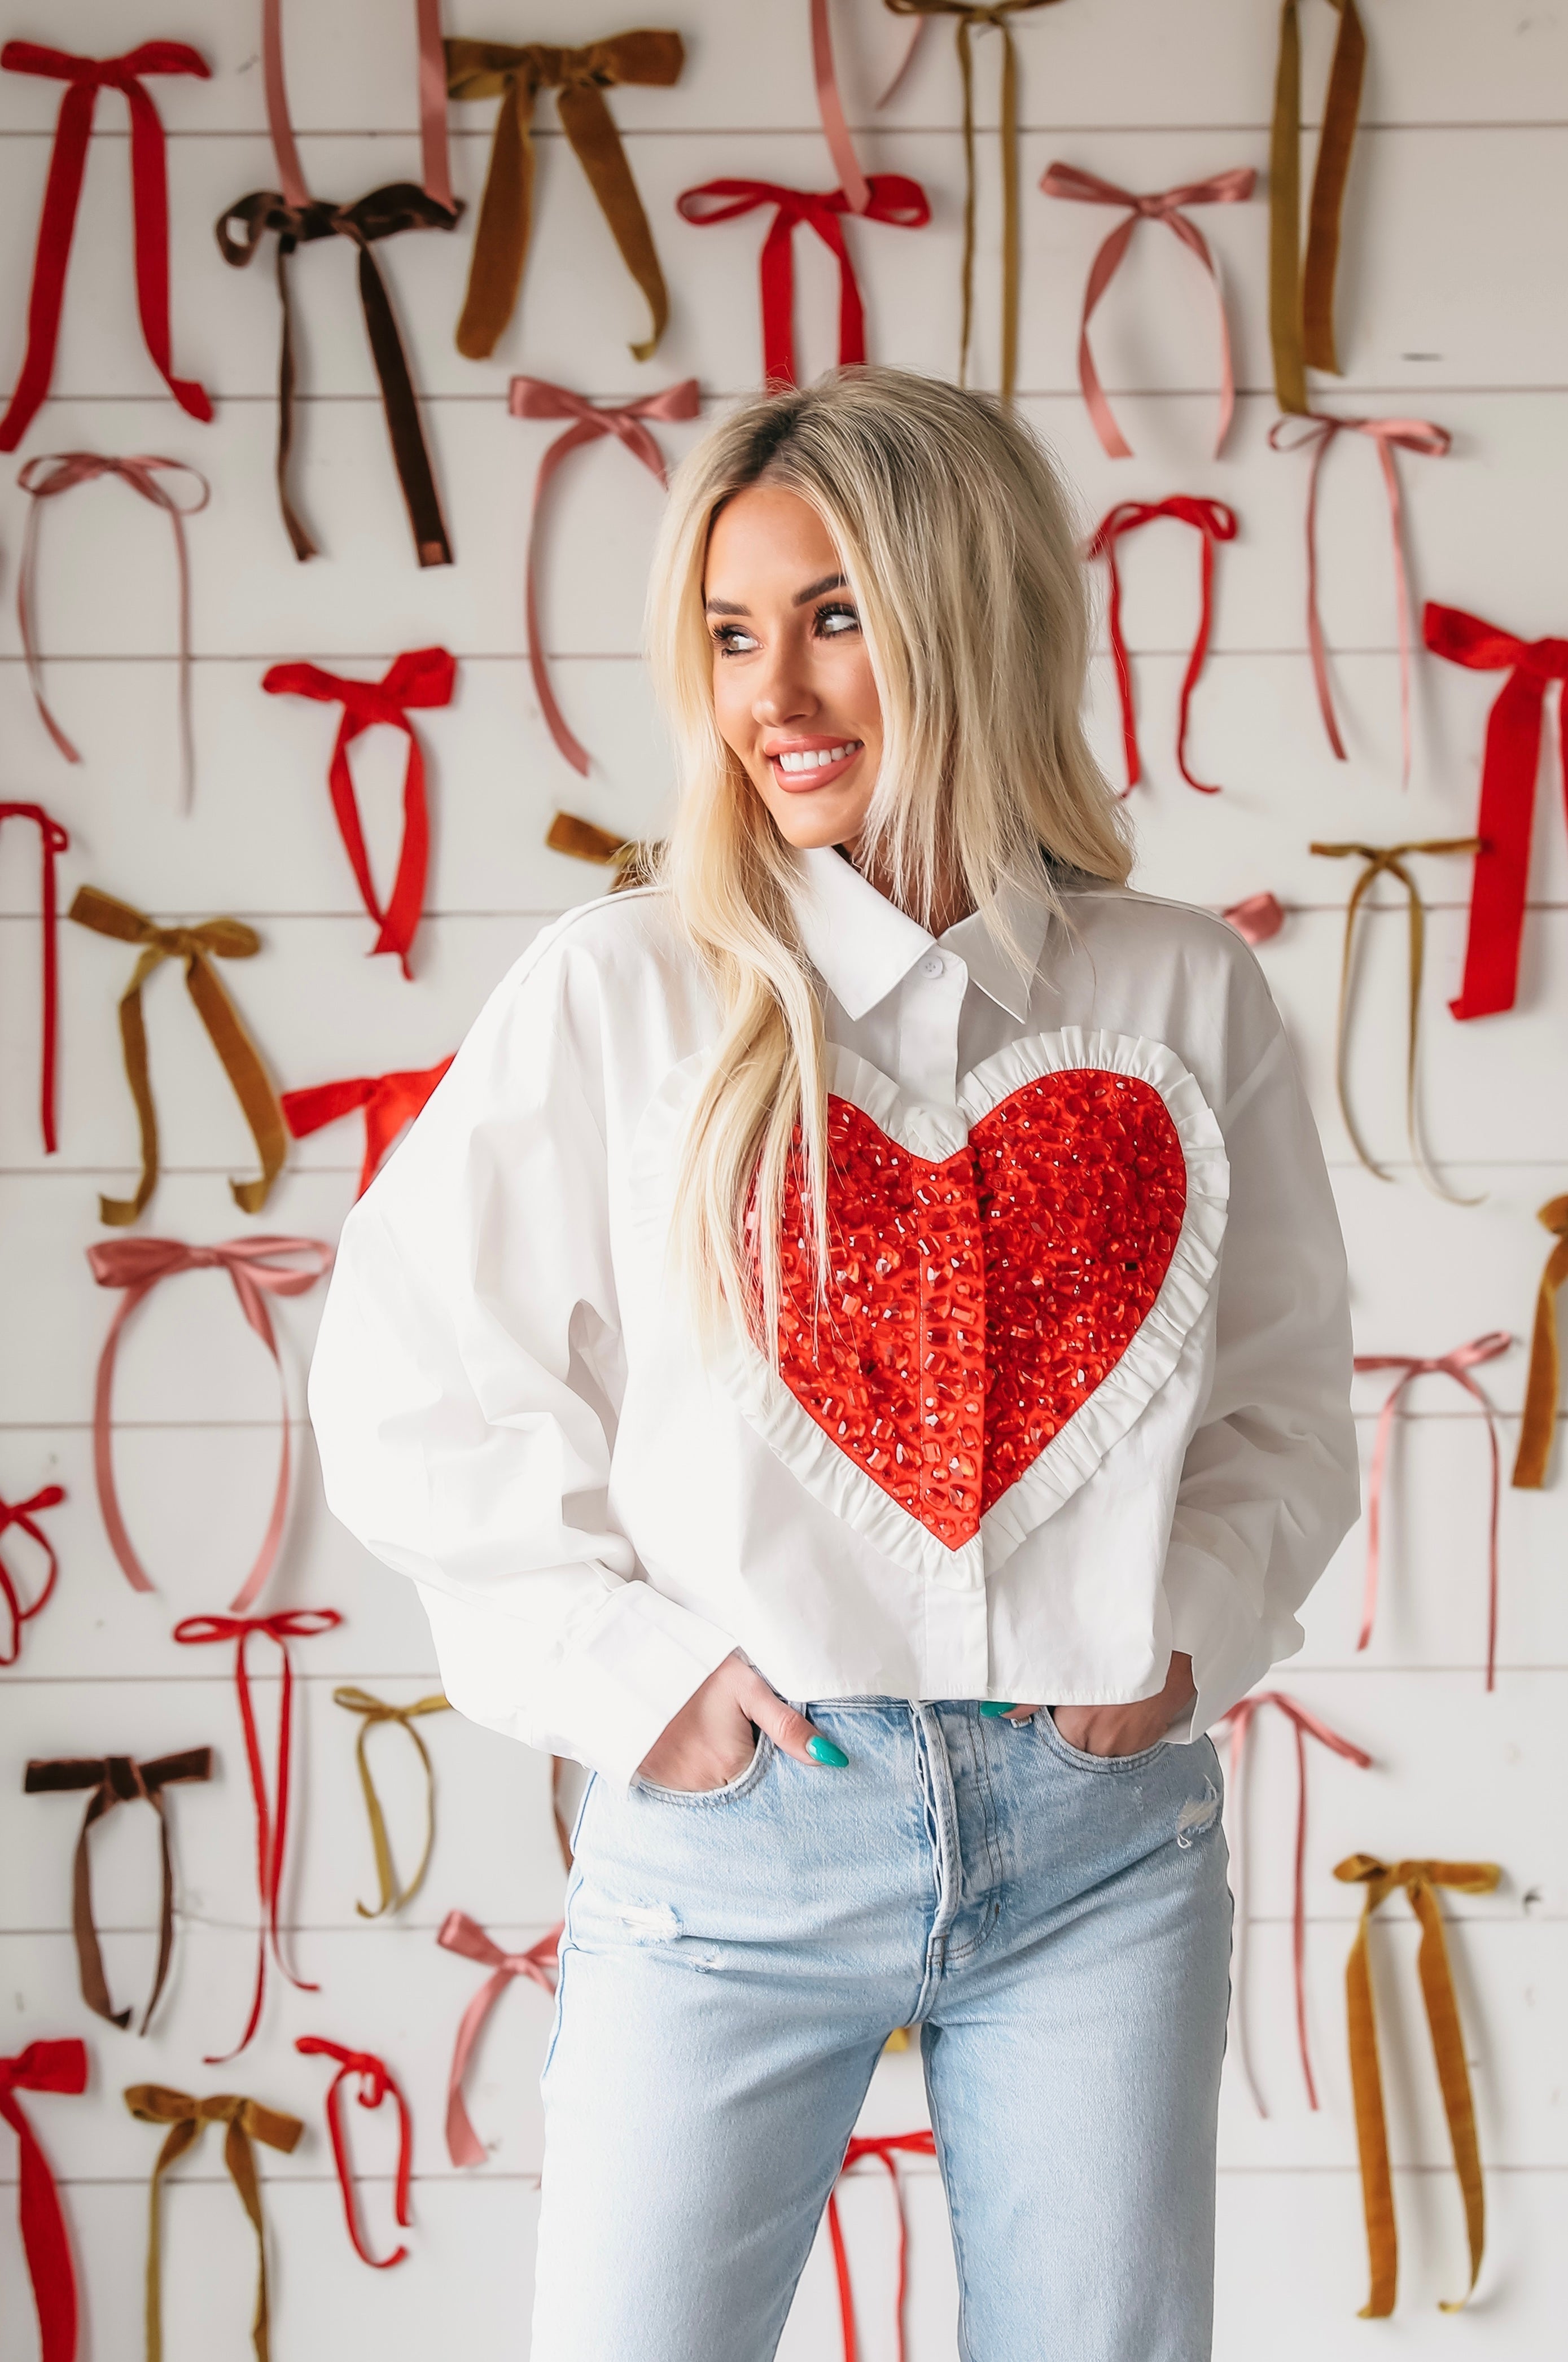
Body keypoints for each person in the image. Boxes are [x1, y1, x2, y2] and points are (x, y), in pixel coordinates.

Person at [309, 368, 1357, 2361]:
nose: (769, 695)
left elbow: (1282, 1402)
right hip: (742, 1828)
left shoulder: (1178, 990)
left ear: (973, 615)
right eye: (727, 633)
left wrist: (1181, 1640)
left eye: (834, 615)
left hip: (1099, 1849)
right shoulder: (624, 990)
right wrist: (634, 1680)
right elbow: (408, 1374)